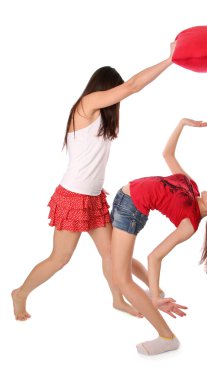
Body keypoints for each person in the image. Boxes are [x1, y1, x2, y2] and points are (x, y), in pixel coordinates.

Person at [11, 43, 176, 321]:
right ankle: (21, 293)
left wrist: (155, 291)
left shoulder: (102, 118)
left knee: (114, 254)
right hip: (73, 196)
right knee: (60, 259)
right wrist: (170, 60)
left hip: (93, 197)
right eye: (114, 91)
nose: (116, 98)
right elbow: (134, 86)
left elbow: (129, 89)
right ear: (102, 89)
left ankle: (120, 299)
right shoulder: (86, 105)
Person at [110, 118, 207, 355]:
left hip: (130, 211)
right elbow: (167, 154)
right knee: (116, 261)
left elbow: (155, 256)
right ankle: (153, 293)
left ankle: (167, 337)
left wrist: (154, 295)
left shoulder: (190, 222)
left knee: (121, 278)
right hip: (124, 201)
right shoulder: (192, 187)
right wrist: (181, 125)